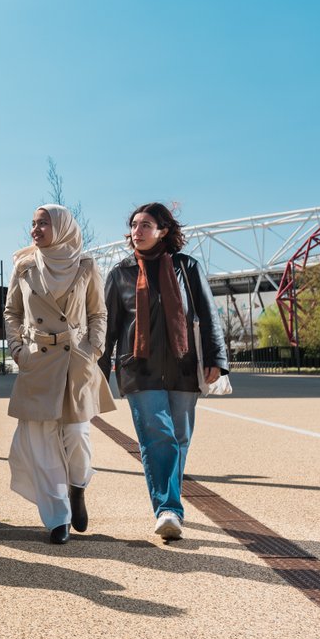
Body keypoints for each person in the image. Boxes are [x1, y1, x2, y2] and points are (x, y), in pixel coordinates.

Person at [99, 202, 228, 541]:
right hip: (138, 368)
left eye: (145, 225)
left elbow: (207, 314)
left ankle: (168, 501)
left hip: (183, 366)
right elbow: (108, 328)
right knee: (159, 435)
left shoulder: (187, 267)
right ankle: (168, 508)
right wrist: (97, 373)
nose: (136, 231)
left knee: (180, 438)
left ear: (163, 231)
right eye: (133, 225)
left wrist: (217, 358)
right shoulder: (120, 273)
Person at [5, 204, 114, 545]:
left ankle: (78, 486)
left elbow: (98, 312)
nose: (35, 230)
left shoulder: (86, 266)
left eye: (43, 224)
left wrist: (93, 348)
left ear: (63, 228)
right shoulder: (24, 266)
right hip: (37, 361)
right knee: (42, 442)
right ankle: (58, 518)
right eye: (33, 223)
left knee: (77, 436)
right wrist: (18, 350)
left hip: (75, 361)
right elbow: (12, 311)